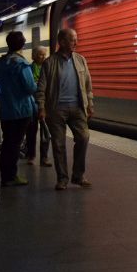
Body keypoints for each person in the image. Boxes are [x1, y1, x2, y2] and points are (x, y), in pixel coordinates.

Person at [36, 28, 94, 190]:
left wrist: (90, 104)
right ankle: (62, 179)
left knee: (83, 138)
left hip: (77, 108)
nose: (76, 42)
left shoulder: (81, 60)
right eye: (72, 39)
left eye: (76, 39)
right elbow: (41, 88)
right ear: (61, 42)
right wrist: (41, 107)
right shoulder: (50, 63)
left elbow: (88, 85)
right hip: (56, 109)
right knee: (59, 144)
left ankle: (78, 175)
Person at [0, 31, 37, 187]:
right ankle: (11, 176)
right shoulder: (21, 64)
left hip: (5, 110)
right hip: (21, 110)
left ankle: (5, 175)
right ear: (22, 45)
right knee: (15, 144)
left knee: (8, 142)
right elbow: (30, 87)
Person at [22, 46, 51, 167]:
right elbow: (30, 86)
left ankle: (44, 157)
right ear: (33, 56)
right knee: (31, 131)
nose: (43, 57)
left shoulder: (49, 68)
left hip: (46, 104)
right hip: (33, 105)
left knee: (46, 133)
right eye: (40, 54)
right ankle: (31, 155)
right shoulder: (29, 68)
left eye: (45, 54)